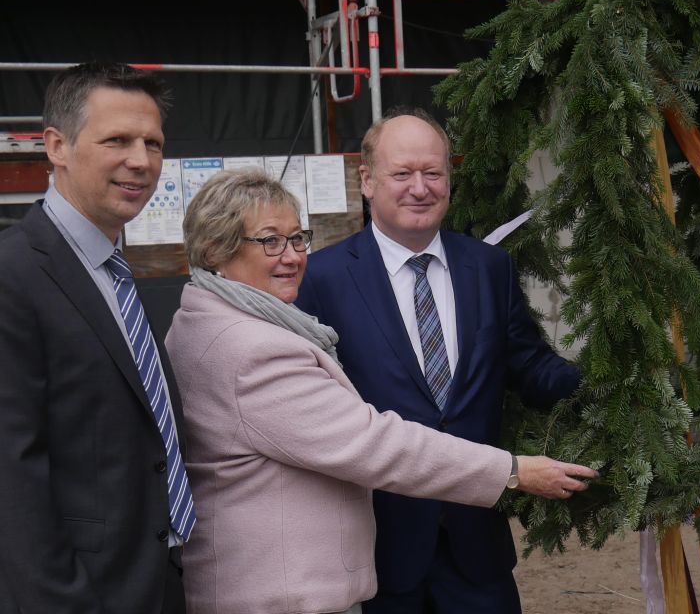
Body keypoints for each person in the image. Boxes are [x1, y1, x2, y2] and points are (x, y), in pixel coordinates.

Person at [164, 169, 595, 613]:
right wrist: (512, 470)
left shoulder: (201, 317)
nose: (291, 256)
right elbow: (373, 443)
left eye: (297, 239)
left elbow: (526, 361)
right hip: (283, 592)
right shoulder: (254, 348)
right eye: (270, 241)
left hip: (293, 578)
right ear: (216, 249)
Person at [295, 108, 583, 613]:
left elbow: (531, 366)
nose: (419, 188)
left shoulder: (488, 266)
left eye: (433, 173)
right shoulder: (322, 279)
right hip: (380, 549)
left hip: (477, 550)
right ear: (366, 180)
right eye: (402, 173)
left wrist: (609, 387)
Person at [0, 62, 191, 612]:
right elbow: (12, 478)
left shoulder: (113, 269)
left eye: (152, 143)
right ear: (56, 146)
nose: (141, 161)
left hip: (157, 579)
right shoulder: (14, 277)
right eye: (118, 140)